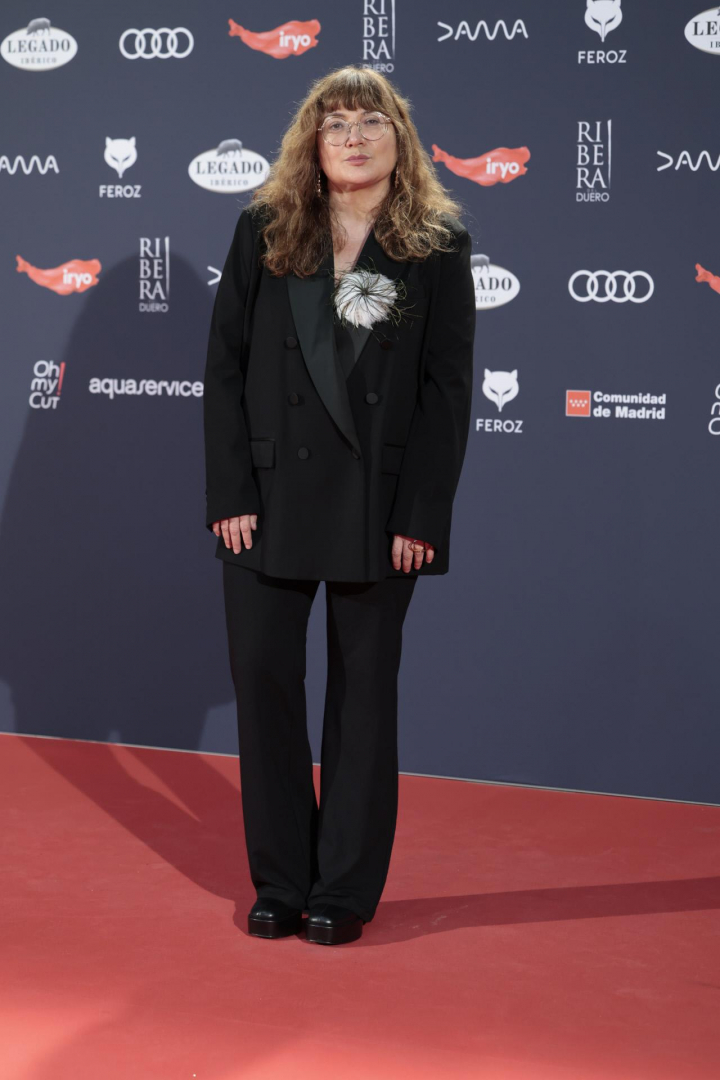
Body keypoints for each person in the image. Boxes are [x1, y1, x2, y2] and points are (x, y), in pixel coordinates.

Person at [203, 65, 476, 945]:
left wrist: (421, 513)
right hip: (267, 503)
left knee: (363, 697)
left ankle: (345, 888)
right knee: (265, 686)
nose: (353, 137)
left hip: (378, 507)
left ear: (401, 138)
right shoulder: (264, 229)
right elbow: (224, 369)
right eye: (336, 124)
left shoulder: (437, 246)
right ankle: (281, 879)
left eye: (371, 121)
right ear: (311, 145)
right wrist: (231, 491)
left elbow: (446, 391)